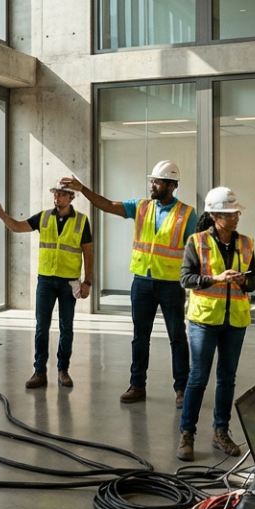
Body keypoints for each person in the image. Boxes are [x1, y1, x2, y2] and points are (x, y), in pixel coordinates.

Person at [60, 160, 195, 405]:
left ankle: (182, 389)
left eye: (157, 181)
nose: (152, 185)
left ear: (171, 185)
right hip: (142, 283)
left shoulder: (187, 213)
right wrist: (82, 189)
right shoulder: (142, 207)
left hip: (170, 285)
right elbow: (108, 205)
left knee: (177, 336)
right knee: (139, 337)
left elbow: (196, 248)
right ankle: (137, 385)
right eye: (152, 181)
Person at [176, 187, 255, 461]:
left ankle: (220, 431)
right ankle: (187, 433)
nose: (235, 217)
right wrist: (217, 279)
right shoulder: (196, 242)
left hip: (235, 320)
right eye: (229, 213)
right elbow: (186, 279)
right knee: (198, 377)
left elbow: (254, 281)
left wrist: (244, 280)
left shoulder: (246, 243)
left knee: (227, 378)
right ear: (214, 216)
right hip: (204, 320)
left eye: (236, 212)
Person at [0, 186, 94, 389]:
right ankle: (39, 371)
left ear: (71, 197)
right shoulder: (44, 217)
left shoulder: (82, 221)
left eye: (62, 194)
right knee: (41, 327)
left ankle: (63, 370)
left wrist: (87, 281)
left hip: (69, 282)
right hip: (46, 281)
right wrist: (2, 215)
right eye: (55, 193)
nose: (57, 197)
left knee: (66, 327)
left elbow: (88, 253)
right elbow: (18, 227)